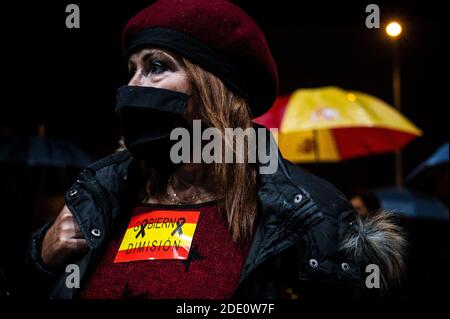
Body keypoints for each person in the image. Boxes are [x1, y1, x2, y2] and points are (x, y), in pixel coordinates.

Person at [29, 0, 406, 299]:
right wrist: (41, 259)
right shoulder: (104, 195)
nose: (133, 85)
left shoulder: (312, 217)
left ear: (215, 89)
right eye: (132, 68)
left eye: (157, 66)